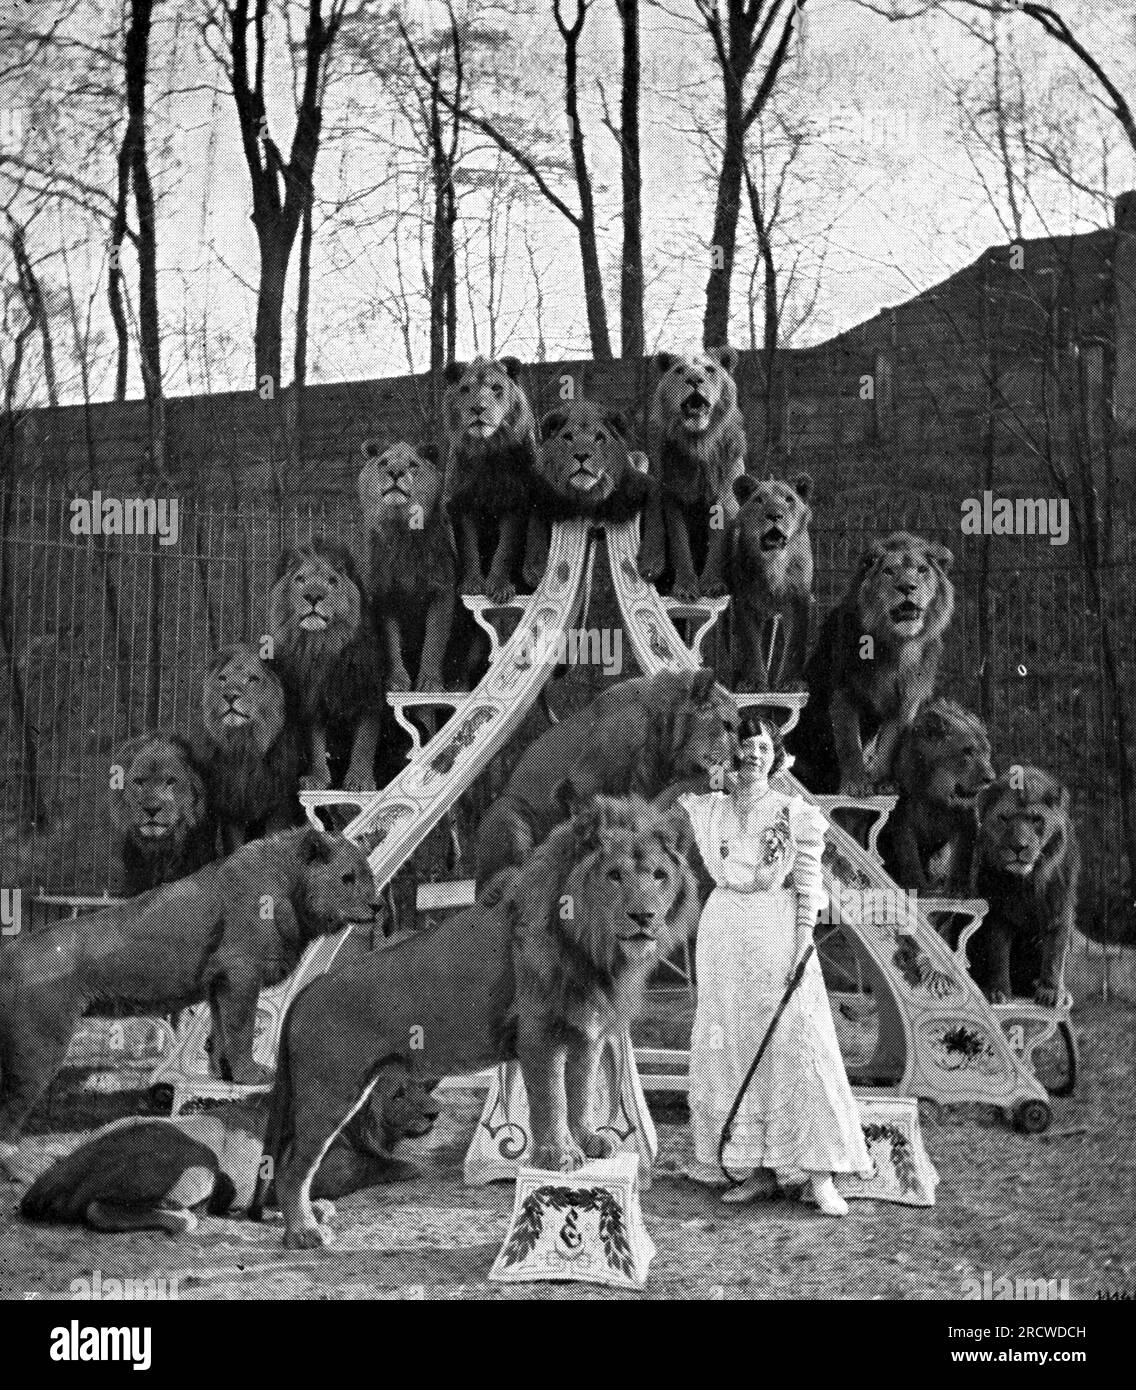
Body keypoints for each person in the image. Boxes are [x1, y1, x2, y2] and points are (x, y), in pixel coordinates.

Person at [676, 711, 873, 1215]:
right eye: (744, 746)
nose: (753, 756)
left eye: (763, 747)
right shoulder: (710, 809)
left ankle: (820, 1171)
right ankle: (757, 1168)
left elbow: (809, 884)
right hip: (724, 930)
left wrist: (804, 939)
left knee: (797, 1042)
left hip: (777, 930)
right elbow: (679, 771)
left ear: (776, 754)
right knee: (735, 1043)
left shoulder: (794, 812)